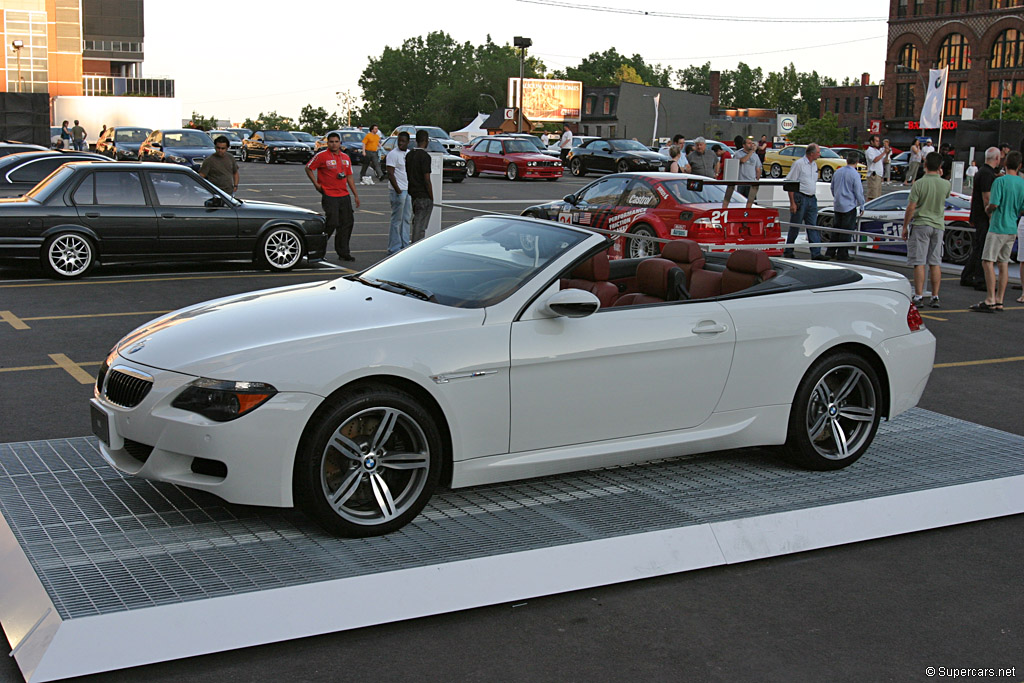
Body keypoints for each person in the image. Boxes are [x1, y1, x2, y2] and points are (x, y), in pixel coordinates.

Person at [972, 150, 1024, 311]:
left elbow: (993, 204)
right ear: (1019, 166)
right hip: (1011, 227)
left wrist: (988, 210)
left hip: (997, 226)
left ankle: (990, 298)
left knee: (987, 261)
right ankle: (1000, 300)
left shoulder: (999, 182)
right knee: (1003, 264)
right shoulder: (1022, 183)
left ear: (1005, 163)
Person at [901, 152, 950, 308]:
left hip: (921, 223)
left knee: (919, 262)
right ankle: (935, 296)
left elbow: (911, 207)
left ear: (925, 165)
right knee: (935, 262)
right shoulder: (945, 184)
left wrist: (905, 226)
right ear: (940, 167)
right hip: (938, 225)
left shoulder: (919, 184)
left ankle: (919, 295)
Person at [305, 131, 360, 262]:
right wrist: (316, 185)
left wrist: (355, 195)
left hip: (344, 195)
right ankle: (317, 250)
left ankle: (343, 252)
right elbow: (308, 168)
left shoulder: (345, 157)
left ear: (340, 143)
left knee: (347, 223)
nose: (334, 144)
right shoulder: (322, 156)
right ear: (327, 143)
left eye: (336, 142)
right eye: (331, 142)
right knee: (332, 222)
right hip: (329, 194)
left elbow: (349, 176)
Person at [960, 147, 1000, 290]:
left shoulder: (982, 172)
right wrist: (991, 216)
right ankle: (979, 278)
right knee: (983, 248)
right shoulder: (987, 175)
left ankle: (967, 276)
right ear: (997, 158)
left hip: (977, 215)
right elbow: (987, 198)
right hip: (983, 217)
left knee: (978, 248)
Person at [784, 143, 827, 260]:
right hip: (800, 198)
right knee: (795, 226)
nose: (819, 154)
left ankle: (816, 253)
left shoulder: (814, 165)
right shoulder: (799, 164)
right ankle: (788, 250)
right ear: (812, 153)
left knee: (812, 226)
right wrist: (792, 202)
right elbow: (790, 183)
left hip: (812, 198)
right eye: (818, 152)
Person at [826, 155, 865, 262]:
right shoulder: (855, 174)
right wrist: (861, 205)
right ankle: (842, 253)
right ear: (856, 162)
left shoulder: (838, 172)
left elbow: (832, 187)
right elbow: (858, 191)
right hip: (849, 206)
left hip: (838, 205)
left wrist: (837, 197)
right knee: (846, 231)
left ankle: (830, 252)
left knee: (836, 230)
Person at [386, 131, 412, 254]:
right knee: (397, 220)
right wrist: (397, 190)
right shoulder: (392, 154)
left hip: (408, 190)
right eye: (399, 141)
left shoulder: (409, 154)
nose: (401, 143)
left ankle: (405, 244)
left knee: (406, 219)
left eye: (403, 141)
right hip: (398, 190)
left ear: (408, 142)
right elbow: (390, 174)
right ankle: (394, 247)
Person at [406, 129, 434, 244]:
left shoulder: (409, 155)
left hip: (413, 193)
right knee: (421, 226)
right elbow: (427, 179)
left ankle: (415, 244)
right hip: (423, 195)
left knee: (416, 222)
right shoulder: (425, 156)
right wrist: (431, 196)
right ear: (426, 141)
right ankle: (416, 247)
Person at [729, 136, 762, 209]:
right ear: (744, 145)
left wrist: (757, 180)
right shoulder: (738, 153)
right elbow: (743, 161)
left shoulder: (755, 156)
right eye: (749, 143)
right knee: (740, 203)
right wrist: (751, 152)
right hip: (741, 182)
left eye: (752, 143)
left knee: (752, 204)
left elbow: (758, 169)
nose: (751, 145)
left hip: (751, 182)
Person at [864, 135, 890, 200]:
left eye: (878, 141)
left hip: (879, 175)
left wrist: (887, 154)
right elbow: (874, 160)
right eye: (876, 141)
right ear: (872, 142)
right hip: (873, 175)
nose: (878, 143)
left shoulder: (878, 151)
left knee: (877, 196)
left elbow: (885, 161)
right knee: (872, 196)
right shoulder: (869, 151)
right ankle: (867, 208)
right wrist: (884, 153)